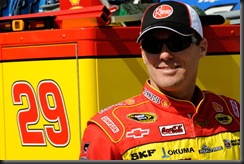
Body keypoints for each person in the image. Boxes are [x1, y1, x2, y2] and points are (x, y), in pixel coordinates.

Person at [79, 0, 240, 160]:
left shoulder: (235, 114)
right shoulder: (107, 131)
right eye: (153, 45)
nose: (164, 54)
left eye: (177, 42)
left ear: (202, 48)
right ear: (143, 54)